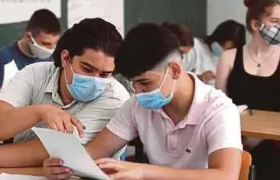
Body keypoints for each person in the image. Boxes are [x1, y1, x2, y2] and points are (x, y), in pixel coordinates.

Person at [43, 23, 242, 180]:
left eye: (144, 82)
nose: (137, 92)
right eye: (133, 84)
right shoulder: (137, 106)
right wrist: (62, 165)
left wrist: (145, 172)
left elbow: (225, 175)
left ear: (174, 70)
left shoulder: (219, 110)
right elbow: (93, 153)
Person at [0, 18, 130, 168]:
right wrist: (39, 112)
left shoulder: (114, 99)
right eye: (87, 69)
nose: (95, 80)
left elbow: (44, 152)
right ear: (66, 58)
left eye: (105, 74)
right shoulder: (35, 73)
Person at [216, 0, 280, 180]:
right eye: (275, 21)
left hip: (275, 146)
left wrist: (260, 136)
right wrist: (237, 136)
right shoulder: (228, 58)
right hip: (232, 140)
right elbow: (217, 106)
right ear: (256, 25)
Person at [0, 9, 61, 96]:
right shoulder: (2, 59)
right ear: (28, 36)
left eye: (55, 44)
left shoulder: (53, 60)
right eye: (46, 44)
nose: (51, 49)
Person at [163, 21, 245, 85]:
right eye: (222, 45)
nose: (223, 50)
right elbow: (173, 77)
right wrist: (199, 78)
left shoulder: (230, 61)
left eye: (228, 49)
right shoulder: (193, 48)